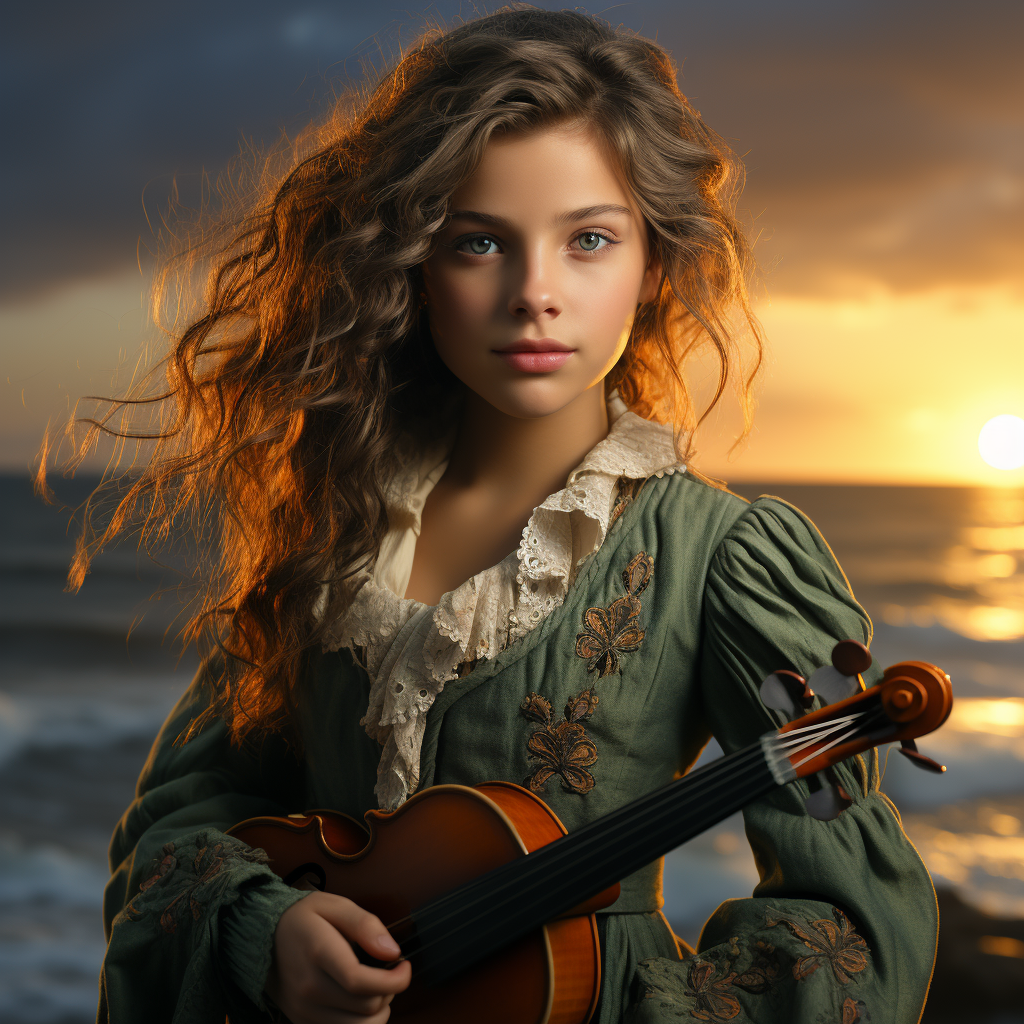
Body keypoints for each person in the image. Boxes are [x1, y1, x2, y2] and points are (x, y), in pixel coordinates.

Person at [74, 8, 937, 1023]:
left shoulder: (724, 556)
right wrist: (273, 931)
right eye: (479, 241)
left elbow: (848, 927)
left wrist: (607, 1001)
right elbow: (179, 820)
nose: (535, 294)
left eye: (589, 241)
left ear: (652, 266)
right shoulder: (341, 531)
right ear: (411, 266)